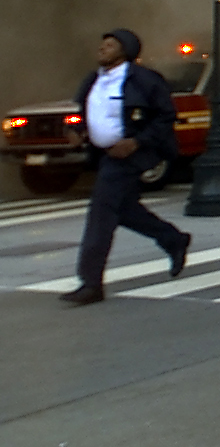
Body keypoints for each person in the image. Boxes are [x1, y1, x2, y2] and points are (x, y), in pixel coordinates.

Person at [60, 29, 191, 305]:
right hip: (104, 155)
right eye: (102, 44)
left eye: (110, 45)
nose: (102, 49)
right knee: (125, 211)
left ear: (126, 51)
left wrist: (136, 142)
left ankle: (90, 283)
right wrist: (77, 130)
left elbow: (166, 116)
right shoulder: (93, 80)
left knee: (101, 213)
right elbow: (79, 112)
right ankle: (173, 239)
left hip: (130, 156)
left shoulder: (143, 80)